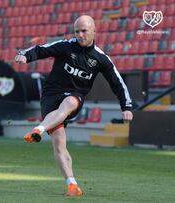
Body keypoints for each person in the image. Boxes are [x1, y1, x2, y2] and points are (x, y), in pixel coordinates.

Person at [14, 15, 133, 196]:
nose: (80, 35)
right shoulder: (66, 46)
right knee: (59, 143)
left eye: (84, 31)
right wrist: (25, 55)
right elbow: (41, 50)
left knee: (69, 101)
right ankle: (72, 184)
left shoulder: (101, 58)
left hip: (74, 97)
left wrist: (126, 106)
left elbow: (117, 83)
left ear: (94, 31)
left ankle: (38, 129)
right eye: (77, 31)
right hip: (50, 95)